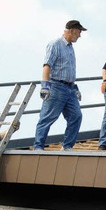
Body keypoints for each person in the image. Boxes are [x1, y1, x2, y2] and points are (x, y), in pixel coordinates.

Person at [33, 20, 87, 151]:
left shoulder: (70, 47)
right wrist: (45, 86)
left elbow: (68, 70)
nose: (80, 35)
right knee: (47, 117)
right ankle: (38, 146)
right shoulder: (55, 44)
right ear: (72, 30)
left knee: (76, 116)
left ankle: (67, 146)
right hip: (56, 86)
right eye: (79, 32)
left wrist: (74, 87)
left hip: (69, 88)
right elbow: (47, 65)